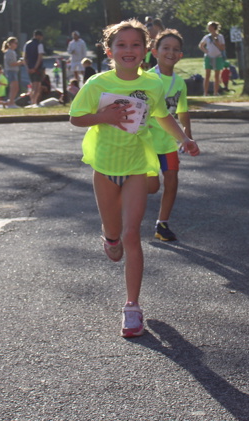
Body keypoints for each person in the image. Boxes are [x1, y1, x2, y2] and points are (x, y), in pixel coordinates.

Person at [69, 19, 199, 337]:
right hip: (104, 167)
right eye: (122, 45)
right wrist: (103, 116)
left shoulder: (153, 84)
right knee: (116, 236)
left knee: (132, 235)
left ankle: (132, 308)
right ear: (109, 51)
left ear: (145, 50)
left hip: (137, 165)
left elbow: (163, 116)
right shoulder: (98, 83)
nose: (129, 50)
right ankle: (109, 238)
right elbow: (75, 117)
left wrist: (184, 138)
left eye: (136, 45)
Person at [146, 29, 192, 242]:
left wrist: (187, 135)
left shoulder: (179, 83)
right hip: (146, 142)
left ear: (180, 55)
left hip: (168, 142)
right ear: (155, 51)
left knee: (172, 180)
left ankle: (162, 224)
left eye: (175, 49)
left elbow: (182, 110)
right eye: (166, 48)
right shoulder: (146, 79)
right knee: (152, 186)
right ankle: (124, 196)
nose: (170, 53)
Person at [198, 21, 225, 96]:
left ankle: (215, 92)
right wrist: (206, 51)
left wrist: (217, 43)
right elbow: (201, 45)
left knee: (217, 76)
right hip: (208, 57)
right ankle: (205, 93)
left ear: (213, 27)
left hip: (218, 57)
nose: (208, 28)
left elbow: (223, 48)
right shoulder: (207, 37)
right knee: (207, 75)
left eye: (209, 27)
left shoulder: (220, 37)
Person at [24, 30, 45, 106]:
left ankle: (31, 101)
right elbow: (39, 57)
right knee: (37, 87)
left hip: (29, 68)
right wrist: (35, 68)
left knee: (32, 86)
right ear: (38, 36)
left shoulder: (27, 44)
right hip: (37, 69)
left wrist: (27, 68)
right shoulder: (39, 45)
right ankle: (34, 102)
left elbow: (25, 57)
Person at [2, 37, 22, 107]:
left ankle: (11, 102)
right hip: (11, 71)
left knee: (16, 88)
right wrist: (20, 62)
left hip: (13, 71)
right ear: (11, 43)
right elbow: (11, 63)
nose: (16, 45)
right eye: (15, 43)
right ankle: (11, 103)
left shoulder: (12, 52)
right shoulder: (9, 52)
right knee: (13, 88)